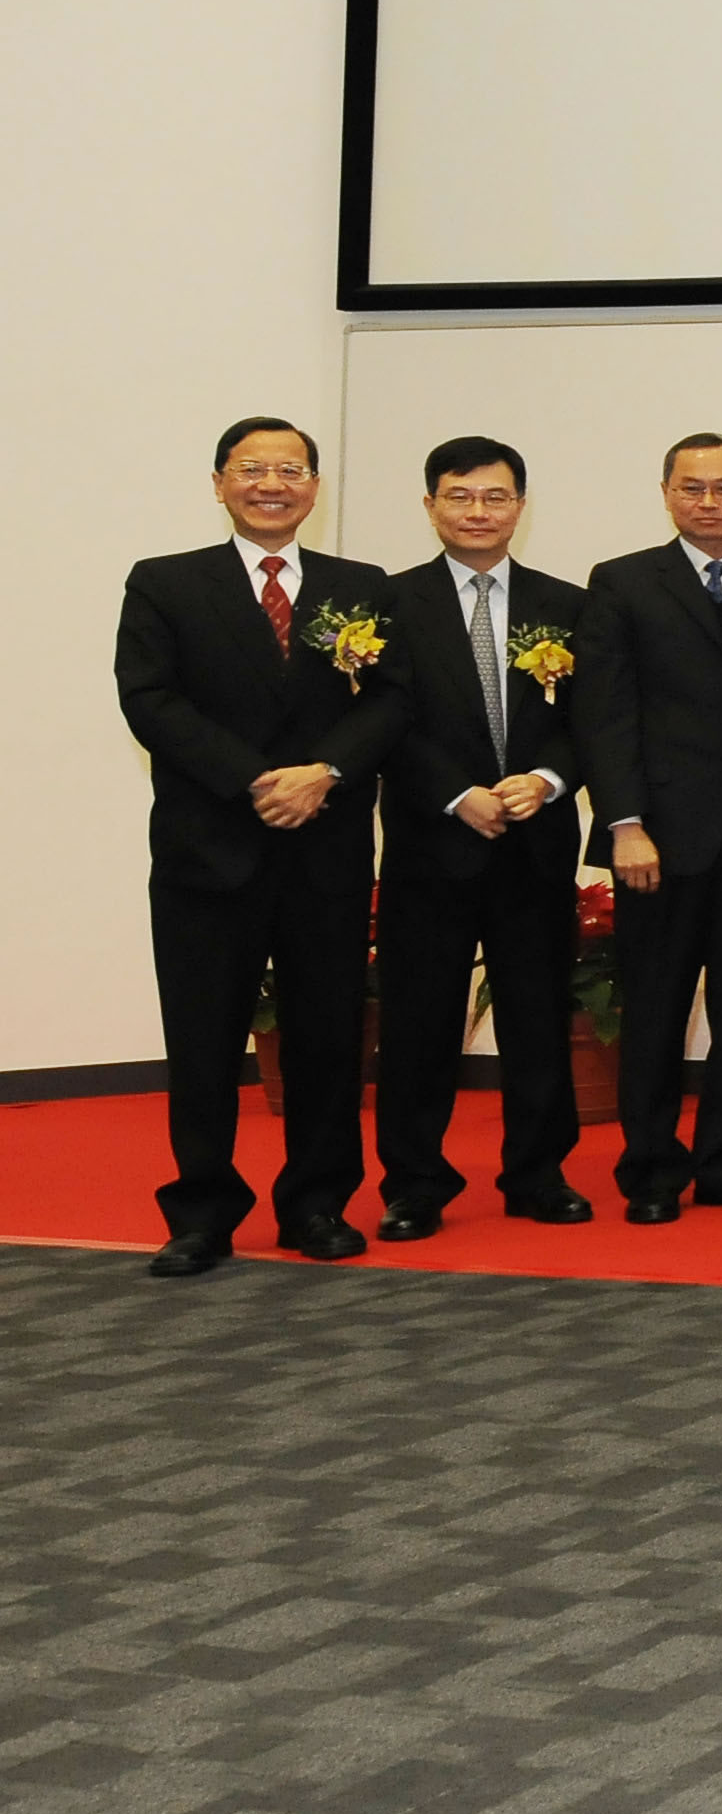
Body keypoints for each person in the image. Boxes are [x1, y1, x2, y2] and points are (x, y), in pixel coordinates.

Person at [114, 418, 409, 1274]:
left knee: (326, 1035)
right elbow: (151, 701)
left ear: (316, 486)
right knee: (204, 1039)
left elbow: (392, 702)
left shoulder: (366, 587)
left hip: (326, 845)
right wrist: (258, 780)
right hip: (208, 848)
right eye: (252, 469)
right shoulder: (166, 583)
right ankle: (202, 1211)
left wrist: (324, 772)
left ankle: (316, 1204)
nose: (271, 483)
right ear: (219, 483)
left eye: (291, 469)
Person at [574, 433, 722, 1223]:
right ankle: (649, 1170)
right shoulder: (622, 584)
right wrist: (624, 823)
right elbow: (604, 716)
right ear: (667, 493)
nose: (707, 502)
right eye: (691, 488)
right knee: (654, 1008)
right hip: (659, 838)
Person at [369, 437, 594, 1237]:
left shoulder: (567, 604)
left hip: (534, 844)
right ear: (430, 505)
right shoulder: (387, 604)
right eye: (459, 497)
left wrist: (547, 781)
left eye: (495, 498)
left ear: (521, 508)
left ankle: (538, 1173)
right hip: (433, 845)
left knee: (537, 1016)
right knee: (419, 1020)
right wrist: (455, 793)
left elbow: (589, 720)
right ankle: (415, 1184)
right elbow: (382, 722)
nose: (478, 512)